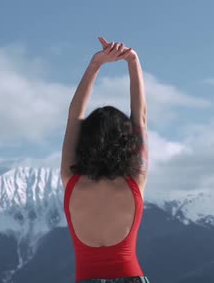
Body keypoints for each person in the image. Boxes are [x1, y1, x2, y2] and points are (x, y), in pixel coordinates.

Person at [60, 37, 150, 283]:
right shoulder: (135, 179)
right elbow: (139, 117)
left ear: (85, 141)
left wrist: (95, 65)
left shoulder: (71, 179)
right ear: (127, 142)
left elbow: (74, 116)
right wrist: (133, 60)